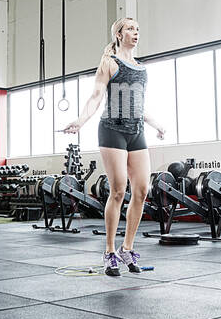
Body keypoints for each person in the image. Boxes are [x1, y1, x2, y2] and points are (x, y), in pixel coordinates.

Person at [62, 18, 166, 275]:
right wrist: (80, 120)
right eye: (130, 28)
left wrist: (157, 125)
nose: (135, 33)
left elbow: (138, 105)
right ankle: (109, 251)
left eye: (138, 29)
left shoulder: (142, 69)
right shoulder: (109, 62)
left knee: (141, 190)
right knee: (118, 190)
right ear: (119, 34)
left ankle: (127, 249)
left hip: (137, 132)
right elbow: (96, 95)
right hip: (112, 130)